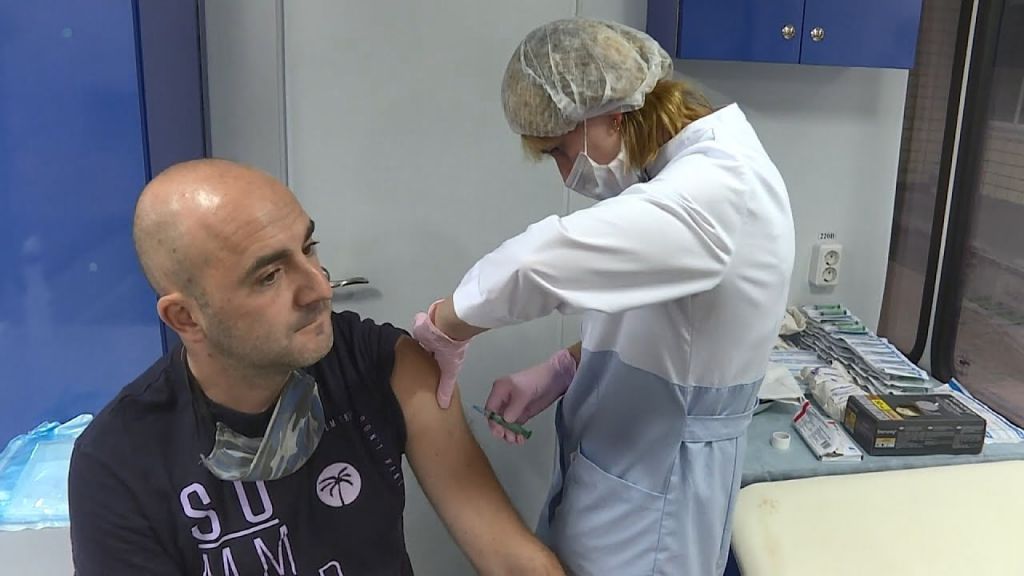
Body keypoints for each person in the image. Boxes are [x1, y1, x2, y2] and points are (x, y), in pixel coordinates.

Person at [411, 18, 795, 575]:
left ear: (611, 114)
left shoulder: (718, 190)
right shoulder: (676, 176)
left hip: (659, 497)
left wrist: (445, 326)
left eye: (560, 151)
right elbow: (673, 325)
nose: (566, 173)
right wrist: (564, 369)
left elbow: (537, 262)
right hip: (628, 462)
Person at [68, 159, 564, 575]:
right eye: (269, 276)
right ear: (186, 317)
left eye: (308, 247)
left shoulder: (380, 365)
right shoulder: (120, 461)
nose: (319, 289)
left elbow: (510, 558)